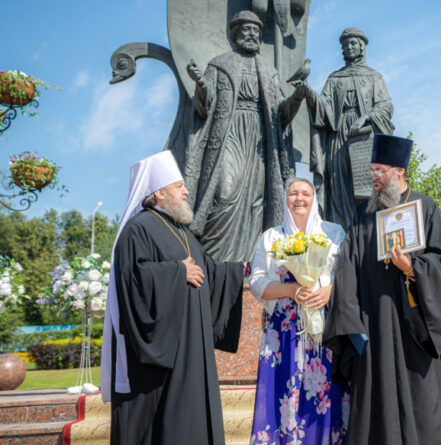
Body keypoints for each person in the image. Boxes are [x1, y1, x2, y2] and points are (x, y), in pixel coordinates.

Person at [323, 134, 441, 445]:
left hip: (417, 330)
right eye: (371, 170)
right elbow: (347, 269)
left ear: (399, 171)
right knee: (375, 404)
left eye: (380, 170)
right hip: (375, 326)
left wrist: (412, 268)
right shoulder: (363, 215)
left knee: (422, 402)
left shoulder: (425, 208)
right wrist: (352, 327)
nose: (373, 177)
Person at [100, 151, 244, 444]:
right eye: (180, 186)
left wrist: (246, 270)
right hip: (160, 361)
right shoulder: (137, 229)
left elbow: (210, 273)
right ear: (159, 192)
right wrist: (177, 273)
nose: (187, 191)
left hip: (191, 348)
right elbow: (132, 282)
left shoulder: (183, 231)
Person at [184, 10, 309, 262]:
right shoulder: (219, 64)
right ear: (235, 34)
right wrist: (201, 85)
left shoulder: (268, 71)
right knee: (225, 194)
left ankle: (248, 264)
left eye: (256, 31)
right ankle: (212, 261)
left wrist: (296, 98)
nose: (251, 34)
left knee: (256, 202)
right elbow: (204, 107)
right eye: (246, 30)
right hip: (228, 134)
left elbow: (280, 117)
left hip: (260, 140)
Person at [248, 178, 349, 444]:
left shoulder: (334, 233)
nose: (299, 198)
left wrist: (329, 292)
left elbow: (350, 276)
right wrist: (290, 290)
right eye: (293, 193)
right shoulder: (272, 237)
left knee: (325, 395)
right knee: (284, 390)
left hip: (323, 329)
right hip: (284, 331)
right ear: (286, 199)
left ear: (314, 199)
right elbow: (256, 282)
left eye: (306, 193)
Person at [307, 27, 394, 229]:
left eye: (353, 43)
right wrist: (310, 95)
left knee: (366, 187)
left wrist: (366, 117)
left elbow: (385, 106)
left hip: (363, 137)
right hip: (339, 137)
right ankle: (342, 234)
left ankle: (367, 232)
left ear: (362, 47)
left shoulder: (374, 77)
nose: (349, 47)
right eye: (345, 45)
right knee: (338, 187)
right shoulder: (334, 78)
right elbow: (324, 106)